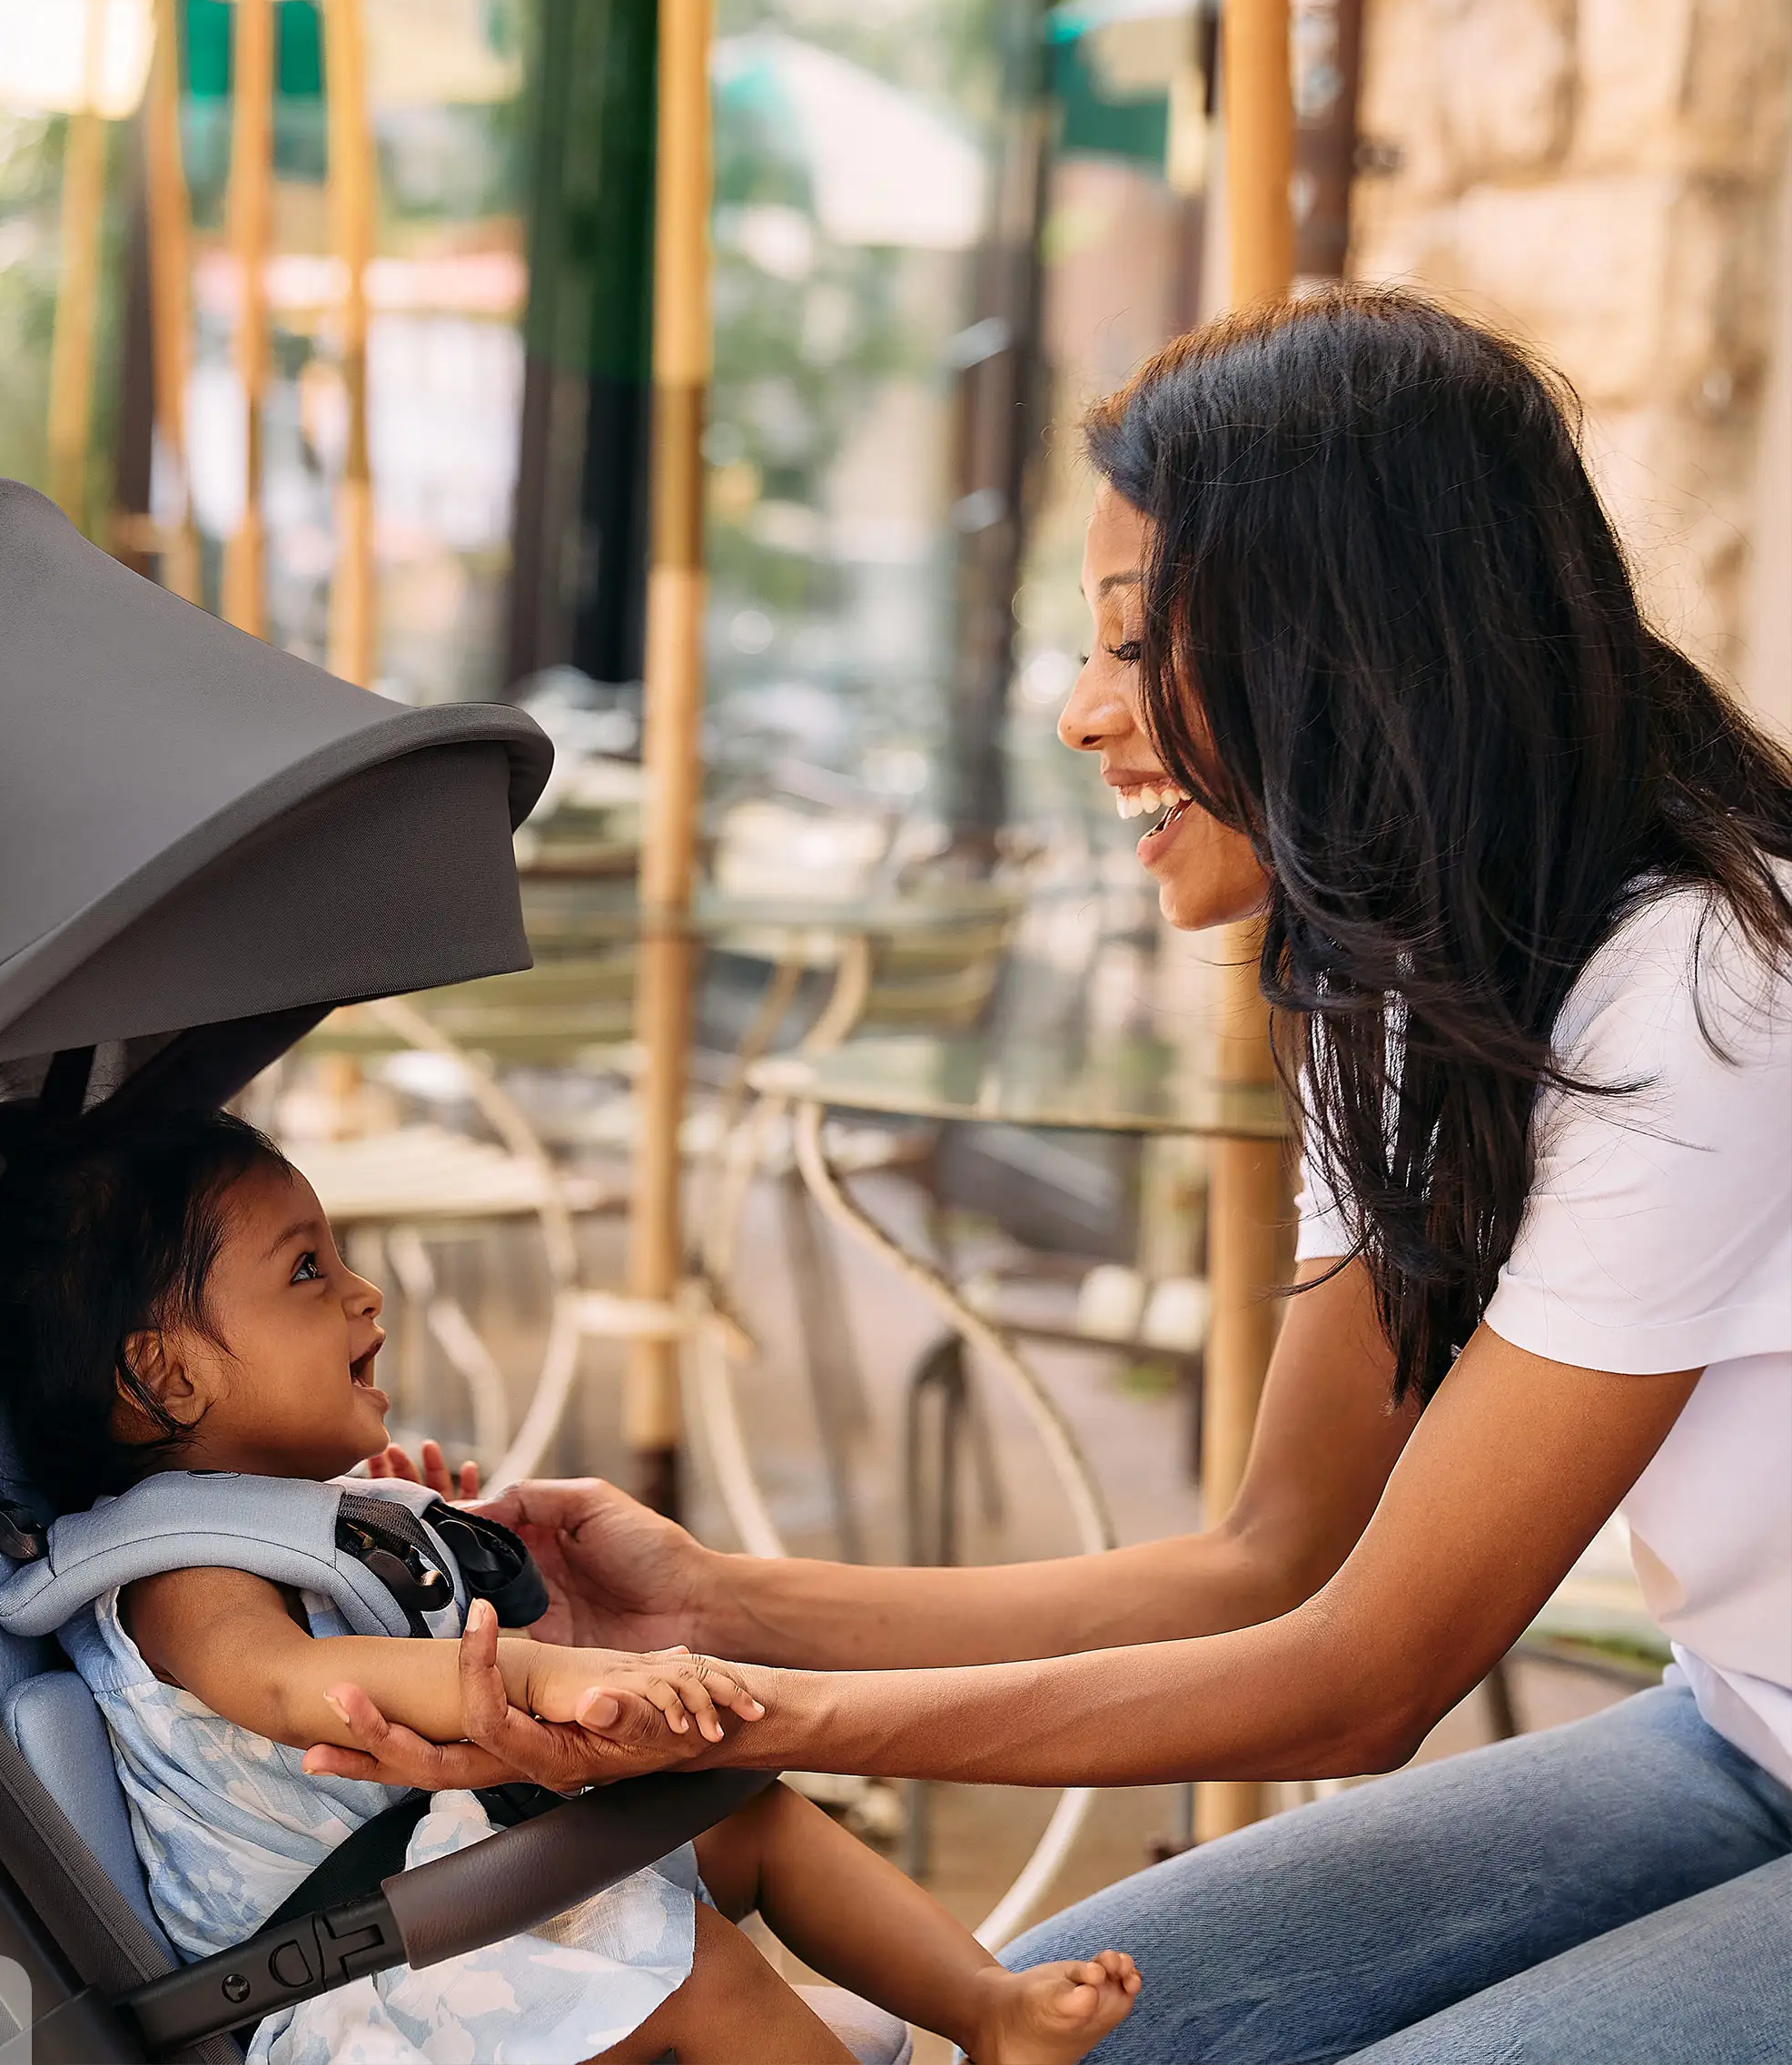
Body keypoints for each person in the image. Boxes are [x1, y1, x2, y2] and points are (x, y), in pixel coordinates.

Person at [302, 291, 1792, 2064]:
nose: (1080, 712)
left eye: (1133, 636)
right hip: (1736, 1725)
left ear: (1353, 649)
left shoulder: (1703, 988)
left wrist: (710, 1716)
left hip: (1733, 1742)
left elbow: (1371, 1670)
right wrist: (709, 1606)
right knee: (1083, 2022)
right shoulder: (1390, 983)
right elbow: (1266, 1556)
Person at [0, 1108, 1142, 2065]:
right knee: (694, 1969)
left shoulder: (303, 1530)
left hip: (455, 1903)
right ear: (166, 1376)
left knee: (750, 1818)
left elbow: (373, 1626)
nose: (366, 1295)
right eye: (306, 1271)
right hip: (356, 1995)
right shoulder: (174, 1573)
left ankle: (986, 2010)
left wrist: (401, 1553)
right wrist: (551, 1674)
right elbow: (307, 1683)